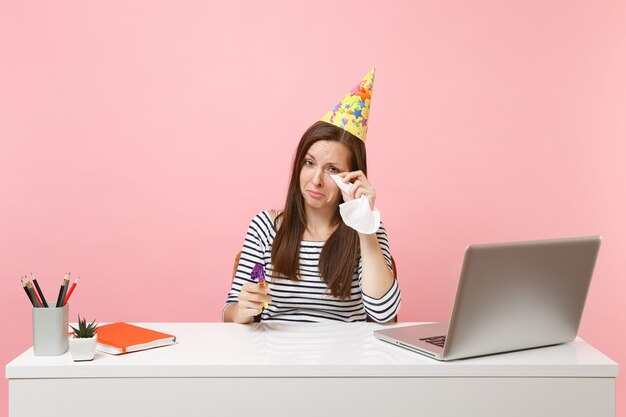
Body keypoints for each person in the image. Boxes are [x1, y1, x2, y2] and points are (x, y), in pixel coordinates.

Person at [222, 69, 401, 323]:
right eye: (309, 163)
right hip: (276, 358)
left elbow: (384, 315)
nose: (315, 179)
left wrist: (364, 225)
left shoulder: (369, 230)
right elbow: (229, 314)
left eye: (332, 169)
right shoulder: (265, 228)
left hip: (345, 359)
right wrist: (243, 309)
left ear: (351, 177)